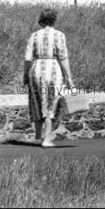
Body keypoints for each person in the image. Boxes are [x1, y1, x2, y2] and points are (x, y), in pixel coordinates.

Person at [24, 8, 75, 148]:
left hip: (36, 69)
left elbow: (28, 59)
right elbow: (63, 57)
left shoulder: (34, 35)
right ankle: (47, 139)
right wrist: (69, 78)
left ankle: (37, 137)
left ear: (41, 20)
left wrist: (25, 76)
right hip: (53, 70)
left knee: (37, 102)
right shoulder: (59, 35)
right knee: (51, 104)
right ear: (54, 20)